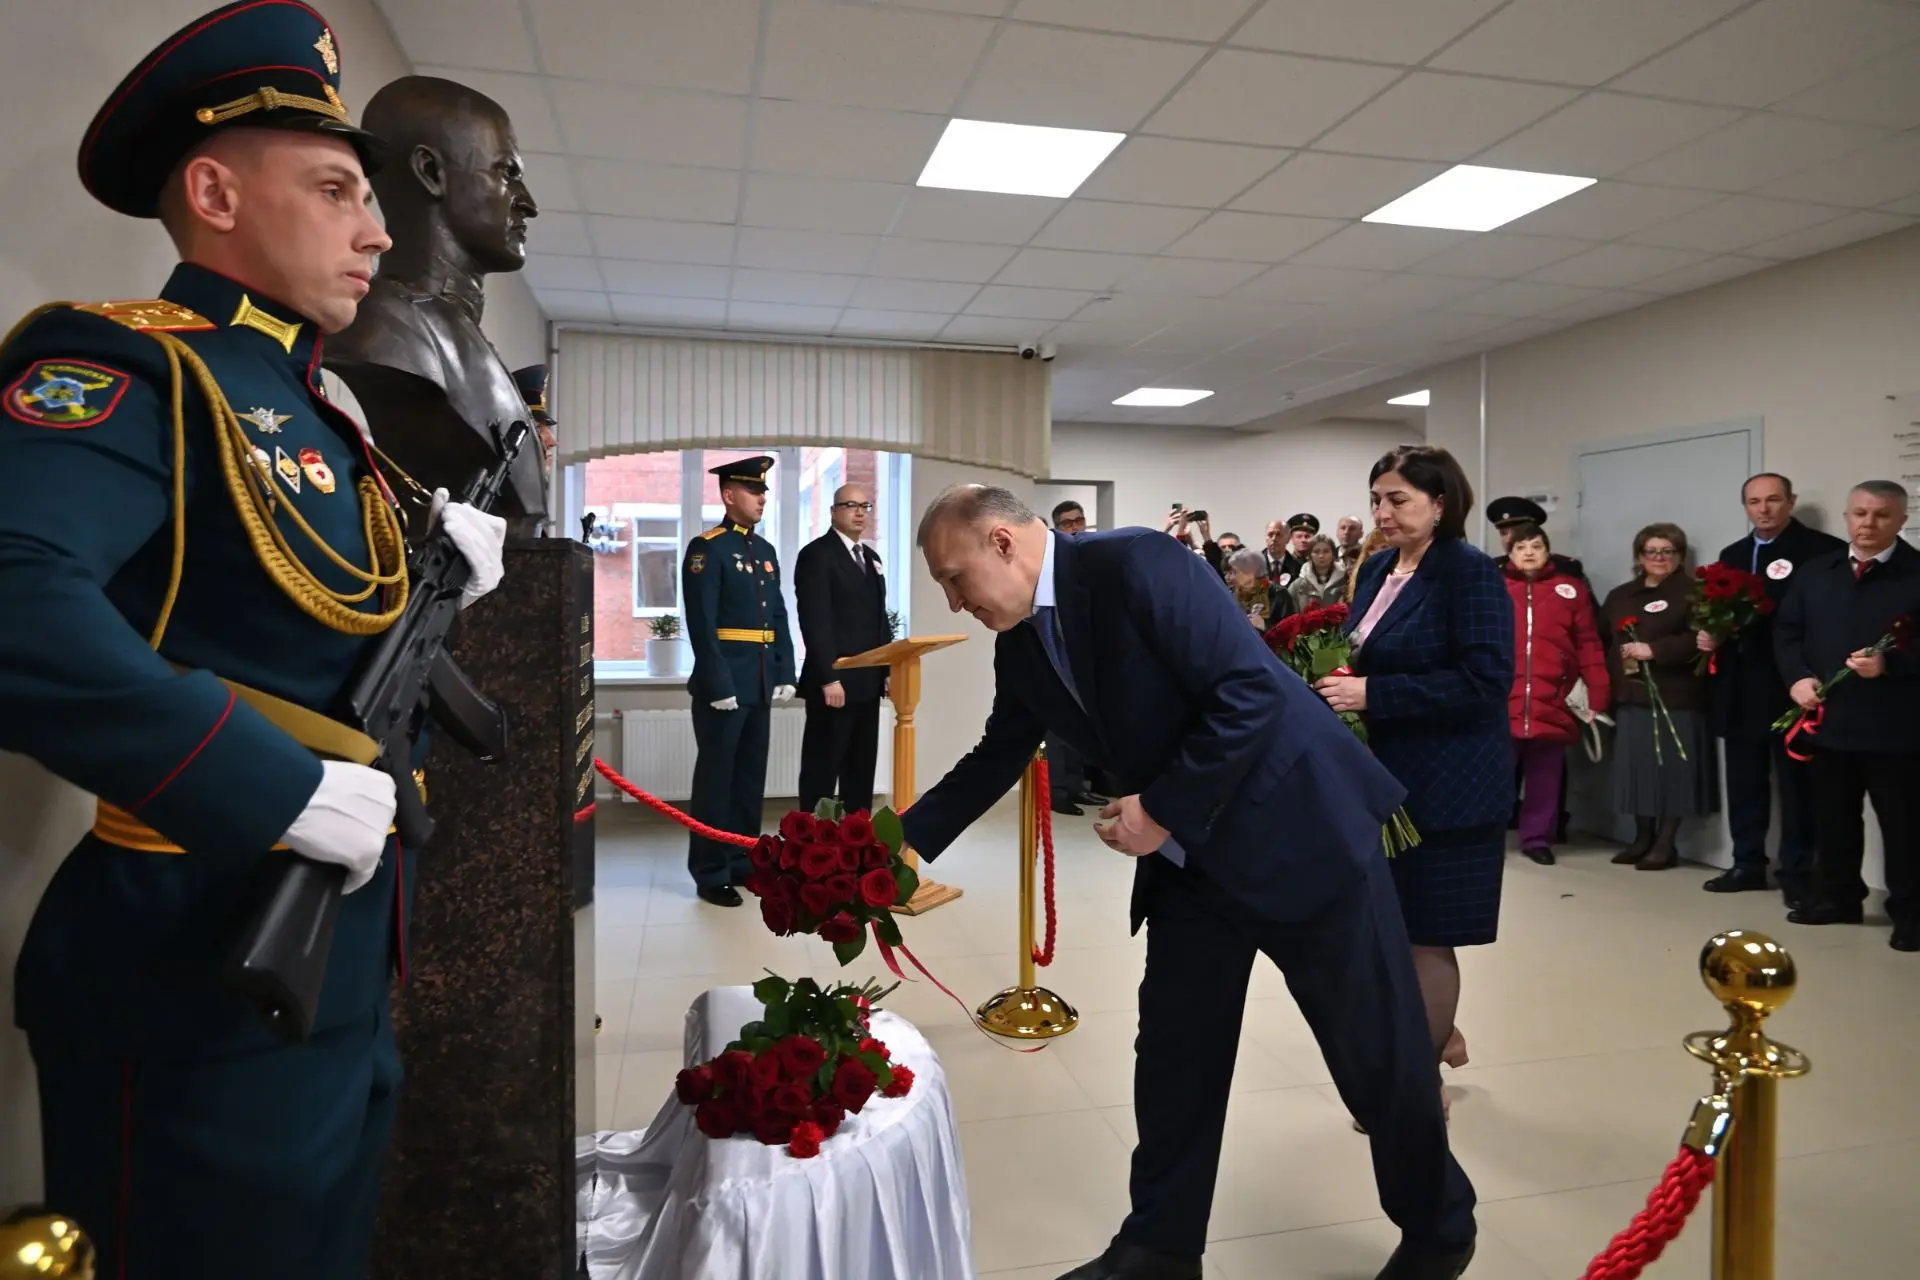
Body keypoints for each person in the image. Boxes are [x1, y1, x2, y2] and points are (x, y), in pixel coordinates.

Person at [0, 5, 510, 1275]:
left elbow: (293, 628)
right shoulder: (133, 366)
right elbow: (14, 589)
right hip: (193, 958)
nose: (376, 230)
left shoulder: (313, 401)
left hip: (337, 950)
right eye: (337, 190)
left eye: (370, 198)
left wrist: (439, 574)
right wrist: (265, 781)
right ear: (215, 193)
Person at [906, 486, 1477, 1280]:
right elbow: (996, 755)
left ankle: (1440, 1230)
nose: (953, 601)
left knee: (1373, 1053)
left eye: (953, 577)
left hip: (1300, 836)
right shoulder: (1024, 643)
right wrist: (892, 851)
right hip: (1193, 866)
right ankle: (1161, 1248)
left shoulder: (1137, 564)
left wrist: (1160, 810)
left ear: (1001, 542)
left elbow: (1248, 692)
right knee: (1176, 1057)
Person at [1328, 446, 1514, 1103]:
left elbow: (1485, 682)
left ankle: (1416, 1089)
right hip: (1383, 783)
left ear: (1440, 504)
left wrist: (1373, 695)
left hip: (1450, 788)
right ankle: (1432, 1037)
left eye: (1398, 499)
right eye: (1376, 499)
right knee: (1385, 935)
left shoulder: (1469, 572)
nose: (1383, 512)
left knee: (1426, 939)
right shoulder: (1380, 568)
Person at [325, 74, 548, 533]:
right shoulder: (386, 332)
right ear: (431, 173)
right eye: (507, 173)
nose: (527, 204)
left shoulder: (449, 328)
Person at [1776, 481, 1920, 950]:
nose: (1868, 523)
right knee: (1833, 820)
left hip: (1896, 729)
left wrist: (1891, 664)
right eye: (1859, 513)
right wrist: (1797, 678)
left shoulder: (1916, 573)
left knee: (1904, 828)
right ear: (1846, 516)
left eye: (1881, 515)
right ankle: (1838, 899)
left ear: (1902, 520)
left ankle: (1911, 914)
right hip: (1829, 723)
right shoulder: (1818, 572)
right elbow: (1787, 632)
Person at [1696, 473, 1843, 904]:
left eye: (1774, 500)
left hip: (1792, 686)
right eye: (1755, 501)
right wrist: (1711, 633)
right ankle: (1747, 863)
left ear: (1790, 502)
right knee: (1744, 782)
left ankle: (1798, 871)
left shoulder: (1823, 552)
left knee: (1798, 785)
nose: (1764, 509)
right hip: (1739, 687)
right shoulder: (1733, 555)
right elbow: (1719, 613)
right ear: (1745, 506)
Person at [683, 455, 796, 906]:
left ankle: (743, 863)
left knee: (749, 781)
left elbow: (779, 616)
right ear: (729, 495)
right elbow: (701, 623)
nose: (762, 498)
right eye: (753, 490)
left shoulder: (765, 552)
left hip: (760, 682)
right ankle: (710, 872)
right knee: (717, 783)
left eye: (763, 491)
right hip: (726, 685)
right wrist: (717, 682)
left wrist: (786, 671)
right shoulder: (707, 549)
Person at [1599, 523, 1716, 871]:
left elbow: (1701, 639)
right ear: (1639, 556)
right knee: (1639, 771)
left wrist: (1656, 650)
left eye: (1667, 551)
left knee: (1674, 773)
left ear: (1679, 556)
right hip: (1632, 695)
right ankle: (1642, 837)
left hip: (1678, 696)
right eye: (1651, 551)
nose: (1659, 557)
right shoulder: (1620, 596)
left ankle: (1666, 843)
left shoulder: (1695, 593)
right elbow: (1602, 639)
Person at [1502, 523, 1610, 865]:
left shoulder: (1571, 590)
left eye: (1536, 546)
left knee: (1546, 776)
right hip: (1503, 700)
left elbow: (1589, 644)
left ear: (1548, 552)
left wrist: (1598, 692)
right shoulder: (1494, 588)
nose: (1529, 553)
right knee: (1495, 776)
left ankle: (1537, 838)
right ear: (1510, 554)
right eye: (1521, 547)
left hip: (1554, 698)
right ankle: (1487, 834)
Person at [795, 483, 890, 817]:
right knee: (822, 771)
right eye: (851, 505)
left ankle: (855, 840)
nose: (860, 512)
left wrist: (888, 670)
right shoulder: (817, 555)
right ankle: (810, 840)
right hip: (833, 685)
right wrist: (829, 677)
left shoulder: (871, 558)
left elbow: (880, 620)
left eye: (865, 506)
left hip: (867, 683)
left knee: (860, 772)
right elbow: (815, 621)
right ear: (834, 512)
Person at [1049, 501, 1104, 815]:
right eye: (1068, 523)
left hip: (1085, 647)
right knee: (1058, 725)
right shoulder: (1051, 558)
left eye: (1079, 521)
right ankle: (1057, 791)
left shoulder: (1091, 555)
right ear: (1057, 527)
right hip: (1056, 647)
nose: (1075, 527)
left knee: (1082, 722)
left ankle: (1077, 785)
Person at [1224, 546, 1291, 629]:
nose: (1231, 577)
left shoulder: (1279, 594)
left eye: (1236, 572)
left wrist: (1265, 626)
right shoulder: (1232, 596)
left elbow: (1290, 629)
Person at [1290, 534, 1348, 612]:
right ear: (1309, 555)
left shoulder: (1345, 582)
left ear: (1333, 554)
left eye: (1326, 551)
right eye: (1316, 552)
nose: (1321, 556)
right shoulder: (1298, 585)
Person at [1347, 527, 1391, 603]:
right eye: (1371, 548)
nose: (1377, 552)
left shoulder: (1400, 575)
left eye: (1384, 547)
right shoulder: (1362, 576)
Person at [1278, 512, 1319, 582]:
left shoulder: (1320, 564)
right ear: (1291, 538)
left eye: (1307, 536)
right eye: (1299, 536)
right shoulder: (1283, 563)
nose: (1303, 540)